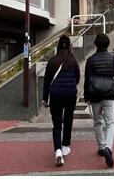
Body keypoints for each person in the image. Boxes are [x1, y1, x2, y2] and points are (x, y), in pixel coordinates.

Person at [84, 33, 114, 168]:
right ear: (107, 44)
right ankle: (108, 147)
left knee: (97, 122)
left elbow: (87, 80)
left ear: (95, 44)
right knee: (111, 123)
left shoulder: (90, 60)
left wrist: (86, 97)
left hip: (95, 95)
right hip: (109, 95)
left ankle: (101, 148)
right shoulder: (113, 58)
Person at [42, 35, 80, 167]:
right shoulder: (73, 60)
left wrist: (44, 98)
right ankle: (65, 146)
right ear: (69, 46)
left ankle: (57, 151)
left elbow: (47, 81)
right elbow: (78, 78)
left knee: (57, 124)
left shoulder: (52, 61)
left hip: (56, 95)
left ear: (58, 46)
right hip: (70, 94)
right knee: (68, 121)